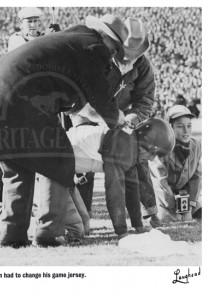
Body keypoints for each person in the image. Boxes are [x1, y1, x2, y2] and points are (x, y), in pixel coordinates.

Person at [0, 14, 129, 247]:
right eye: (115, 48)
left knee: (17, 168)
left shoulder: (73, 40)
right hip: (21, 97)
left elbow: (81, 103)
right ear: (107, 38)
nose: (112, 54)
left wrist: (102, 116)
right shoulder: (94, 47)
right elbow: (100, 94)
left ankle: (11, 235)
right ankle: (49, 233)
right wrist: (118, 119)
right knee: (59, 160)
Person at [74, 17, 161, 227]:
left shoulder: (144, 67)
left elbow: (145, 101)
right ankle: (82, 217)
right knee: (82, 168)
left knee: (135, 158)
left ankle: (148, 212)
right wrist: (101, 118)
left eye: (133, 57)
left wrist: (132, 118)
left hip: (121, 121)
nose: (127, 62)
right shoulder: (97, 58)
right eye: (123, 56)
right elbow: (78, 97)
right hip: (87, 118)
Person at [67, 117, 175, 239]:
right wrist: (122, 232)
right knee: (78, 229)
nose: (151, 159)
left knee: (83, 225)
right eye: (153, 154)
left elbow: (131, 188)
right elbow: (115, 193)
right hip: (53, 168)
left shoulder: (130, 142)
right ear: (143, 146)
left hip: (64, 172)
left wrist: (138, 227)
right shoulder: (123, 146)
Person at [149, 105, 201, 222]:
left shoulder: (196, 145)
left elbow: (196, 178)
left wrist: (189, 206)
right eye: (180, 126)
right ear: (170, 128)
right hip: (165, 198)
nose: (186, 130)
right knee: (172, 218)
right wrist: (179, 209)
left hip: (185, 197)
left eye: (189, 126)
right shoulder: (161, 148)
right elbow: (161, 182)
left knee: (200, 213)